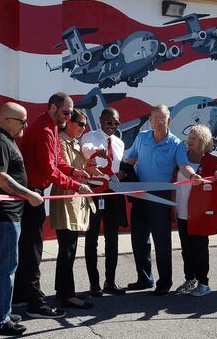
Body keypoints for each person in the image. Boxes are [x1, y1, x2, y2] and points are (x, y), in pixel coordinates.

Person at [15, 92, 92, 319]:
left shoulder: (50, 128)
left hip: (34, 193)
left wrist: (74, 172)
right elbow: (49, 170)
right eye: (66, 113)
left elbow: (57, 162)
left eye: (70, 114)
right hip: (32, 195)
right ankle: (35, 303)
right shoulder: (44, 130)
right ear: (52, 108)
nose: (68, 118)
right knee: (33, 251)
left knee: (29, 248)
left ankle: (21, 296)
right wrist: (76, 185)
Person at [0, 102, 44, 336]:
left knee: (2, 267)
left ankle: (0, 310)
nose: (26, 125)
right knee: (4, 267)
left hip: (7, 215)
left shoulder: (5, 138)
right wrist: (29, 195)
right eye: (22, 121)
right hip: (4, 216)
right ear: (8, 120)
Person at [124, 105, 181, 296]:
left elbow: (185, 166)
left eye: (161, 119)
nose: (157, 122)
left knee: (162, 241)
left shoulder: (176, 144)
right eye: (154, 118)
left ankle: (164, 282)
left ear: (169, 121)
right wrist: (114, 176)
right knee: (139, 239)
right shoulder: (142, 137)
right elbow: (130, 161)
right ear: (150, 119)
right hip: (140, 195)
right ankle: (144, 279)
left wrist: (194, 176)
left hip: (161, 198)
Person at [50, 109, 97, 309]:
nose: (83, 128)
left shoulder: (75, 143)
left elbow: (82, 169)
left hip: (75, 199)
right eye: (80, 123)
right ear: (69, 122)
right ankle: (67, 295)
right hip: (66, 198)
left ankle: (64, 290)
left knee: (69, 247)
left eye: (85, 125)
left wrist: (95, 168)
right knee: (67, 248)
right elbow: (64, 168)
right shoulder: (61, 141)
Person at [173, 124, 217, 297]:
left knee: (200, 249)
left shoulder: (212, 161)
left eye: (194, 138)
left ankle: (203, 283)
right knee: (186, 249)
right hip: (182, 212)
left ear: (203, 141)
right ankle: (190, 280)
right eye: (189, 137)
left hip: (200, 215)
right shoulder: (182, 158)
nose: (189, 141)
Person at [80, 107, 128, 297]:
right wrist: (99, 151)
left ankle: (110, 281)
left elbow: (118, 166)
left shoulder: (119, 143)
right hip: (94, 190)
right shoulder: (90, 136)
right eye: (109, 122)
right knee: (92, 238)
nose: (112, 127)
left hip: (112, 193)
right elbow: (86, 151)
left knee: (112, 238)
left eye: (116, 123)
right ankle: (94, 283)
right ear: (100, 120)